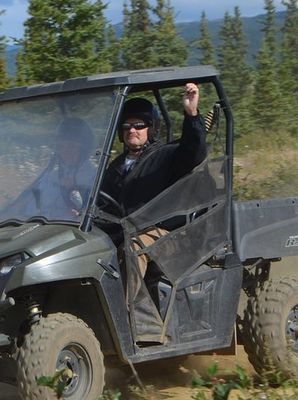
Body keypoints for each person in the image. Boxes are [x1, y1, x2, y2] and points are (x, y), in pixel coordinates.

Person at [99, 83, 206, 343]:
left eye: (139, 125)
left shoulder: (165, 156)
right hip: (123, 230)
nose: (132, 131)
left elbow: (193, 153)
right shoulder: (113, 167)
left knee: (133, 250)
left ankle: (131, 325)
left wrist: (192, 115)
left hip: (163, 231)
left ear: (151, 127)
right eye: (126, 127)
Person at [26, 117, 96, 220]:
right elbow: (30, 210)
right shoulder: (50, 177)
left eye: (71, 146)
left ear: (83, 149)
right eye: (61, 147)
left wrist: (72, 190)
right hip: (43, 228)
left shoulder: (94, 178)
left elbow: (91, 216)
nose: (65, 151)